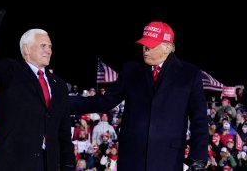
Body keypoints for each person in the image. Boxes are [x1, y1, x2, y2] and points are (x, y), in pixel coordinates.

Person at [69, 21, 208, 171]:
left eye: (151, 45)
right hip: (132, 158)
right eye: (144, 44)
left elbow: (199, 118)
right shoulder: (131, 69)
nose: (145, 49)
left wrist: (198, 156)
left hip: (168, 158)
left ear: (167, 47)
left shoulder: (189, 74)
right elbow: (105, 101)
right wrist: (63, 103)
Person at [0, 0, 75, 171]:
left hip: (49, 165)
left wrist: (69, 166)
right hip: (14, 163)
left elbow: (63, 134)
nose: (49, 50)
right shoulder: (12, 71)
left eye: (50, 46)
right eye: (43, 45)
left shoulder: (59, 85)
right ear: (26, 49)